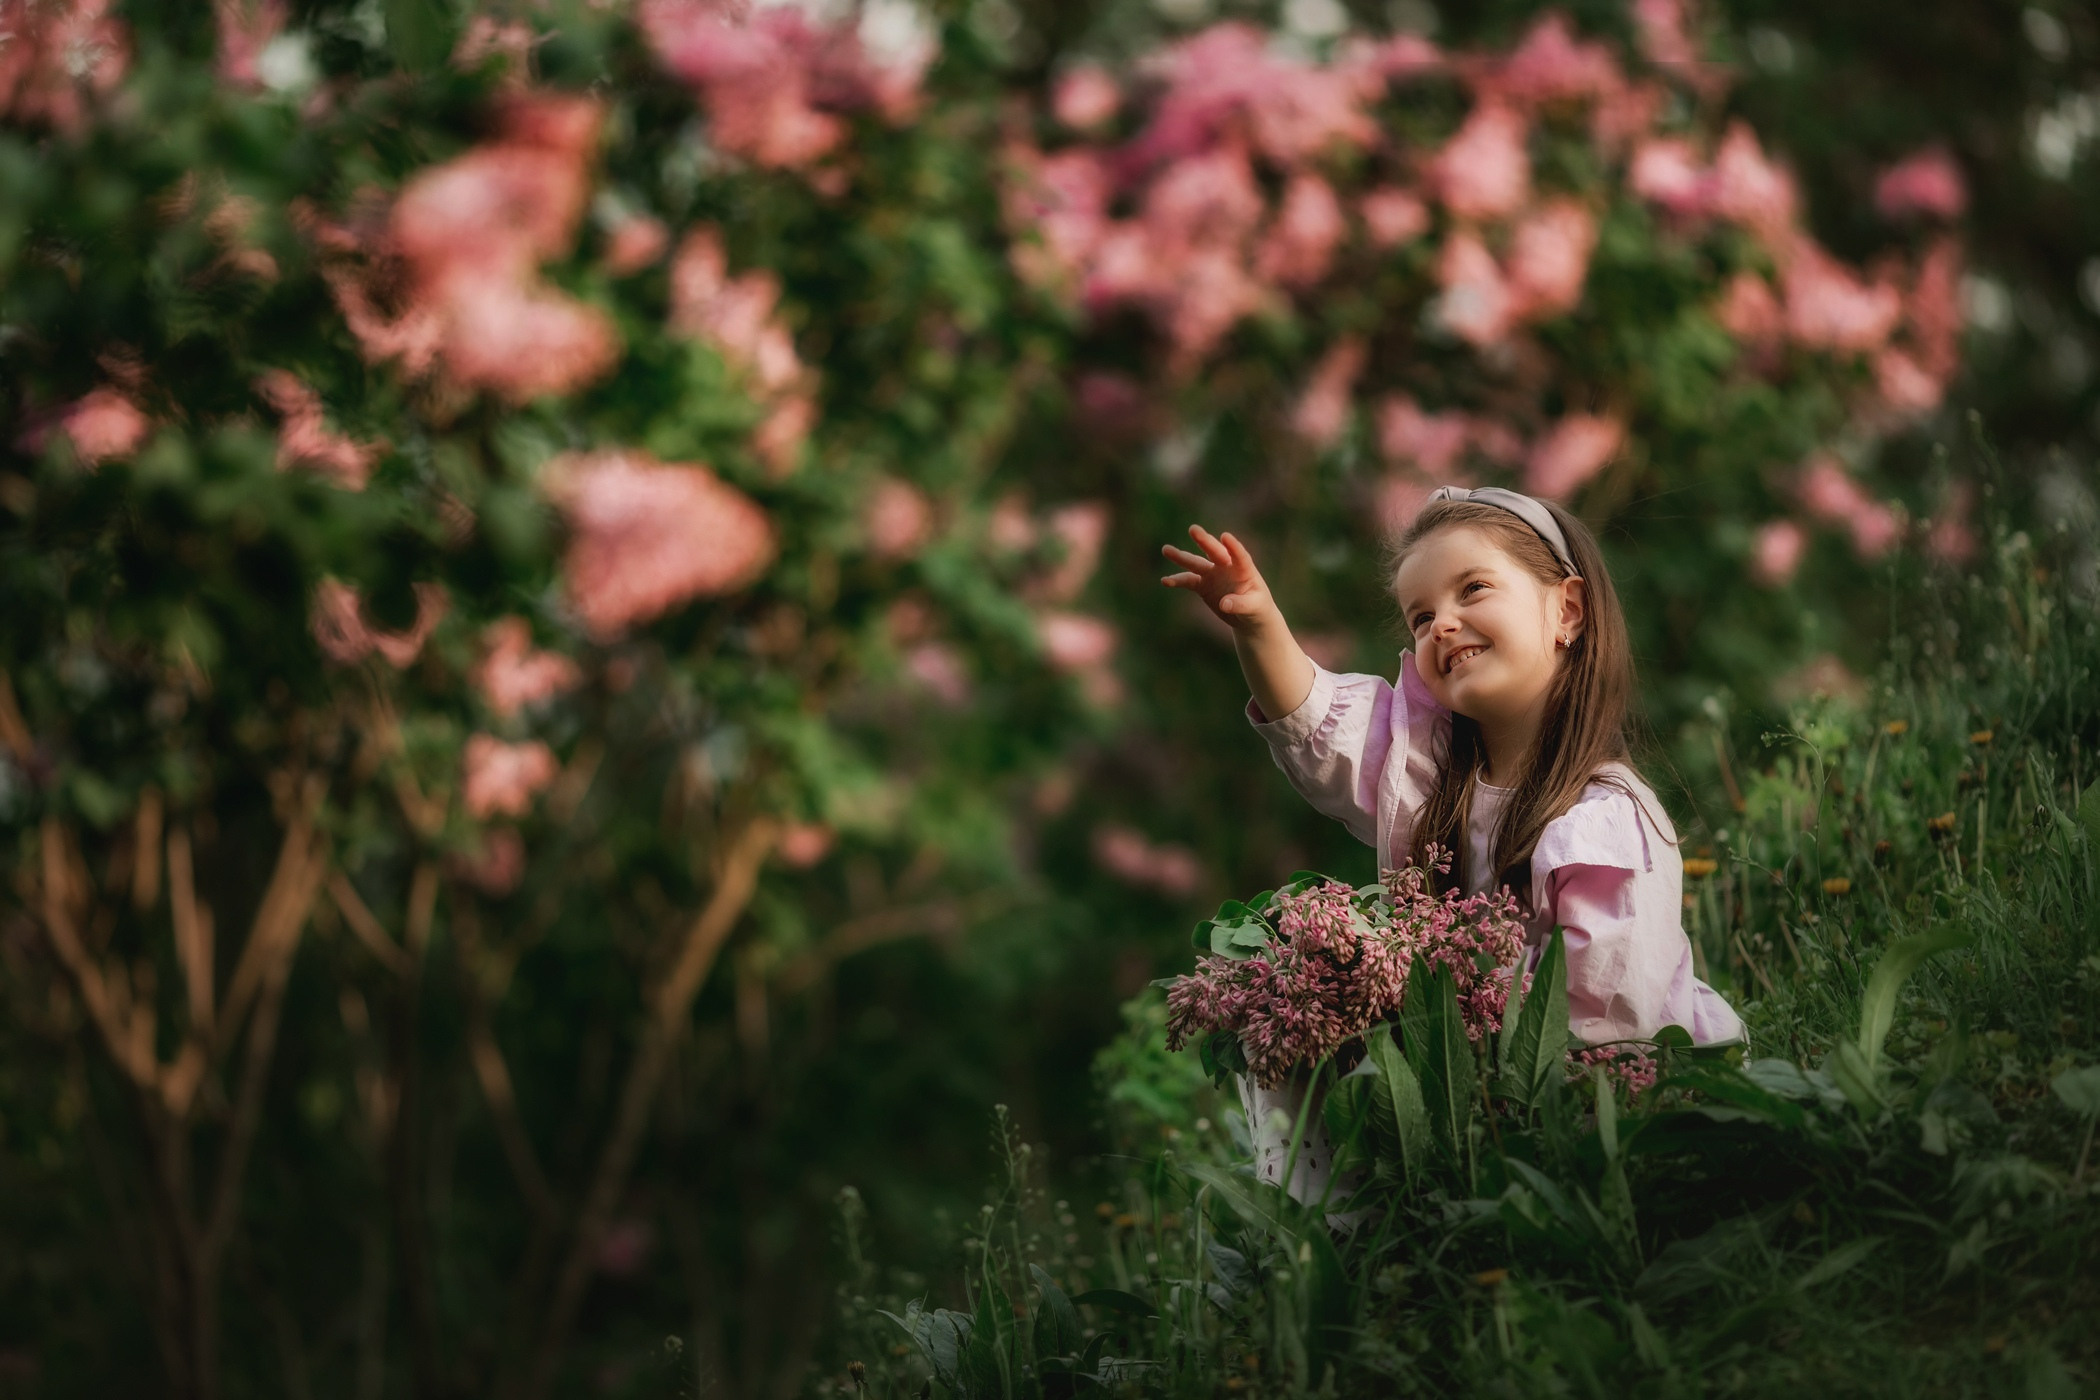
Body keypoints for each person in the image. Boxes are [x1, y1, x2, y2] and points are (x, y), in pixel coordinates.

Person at [1160, 486, 1743, 1206]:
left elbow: (1607, 1017)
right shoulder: (1432, 773)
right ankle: (1320, 1234)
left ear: (1568, 610)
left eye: (1473, 589)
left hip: (1601, 1104)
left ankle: (1426, 1218)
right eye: (1421, 616)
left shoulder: (1603, 818)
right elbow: (1321, 730)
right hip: (1462, 1067)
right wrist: (1257, 623)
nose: (1442, 623)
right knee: (1285, 1000)